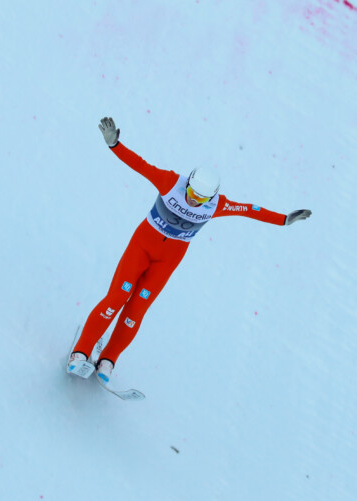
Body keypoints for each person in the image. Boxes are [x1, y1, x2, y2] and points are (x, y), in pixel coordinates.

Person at [68, 117, 311, 383]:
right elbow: (140, 165)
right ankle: (80, 352)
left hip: (167, 261)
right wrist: (114, 144)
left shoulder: (216, 205)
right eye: (192, 193)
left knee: (136, 310)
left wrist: (283, 219)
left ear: (212, 196)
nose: (193, 200)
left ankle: (108, 360)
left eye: (200, 198)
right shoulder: (171, 182)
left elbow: (248, 210)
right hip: (142, 247)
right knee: (117, 298)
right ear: (189, 183)